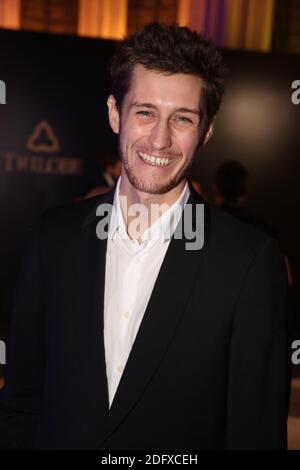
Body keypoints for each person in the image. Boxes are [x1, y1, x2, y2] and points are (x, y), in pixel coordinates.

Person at [0, 23, 290, 450]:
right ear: (115, 113)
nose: (160, 139)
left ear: (207, 130)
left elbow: (256, 434)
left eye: (183, 119)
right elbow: (21, 404)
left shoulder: (248, 262)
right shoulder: (53, 239)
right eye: (145, 112)